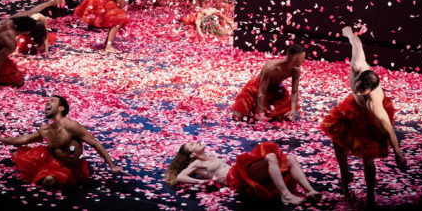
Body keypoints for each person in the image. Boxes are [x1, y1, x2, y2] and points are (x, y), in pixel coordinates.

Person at [320, 26, 407, 207]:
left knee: (367, 156)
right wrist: (350, 34)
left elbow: (390, 131)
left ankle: (370, 194)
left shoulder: (375, 105)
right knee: (337, 141)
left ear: (370, 90)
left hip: (369, 119)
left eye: (362, 90)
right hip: (352, 108)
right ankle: (345, 179)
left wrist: (398, 153)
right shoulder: (358, 65)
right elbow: (357, 44)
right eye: (357, 87)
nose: (358, 91)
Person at [0, 95, 124, 189]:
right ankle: (46, 171)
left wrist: (112, 166)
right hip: (54, 161)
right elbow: (25, 139)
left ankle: (50, 175)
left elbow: (95, 144)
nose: (47, 103)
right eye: (46, 102)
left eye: (52, 101)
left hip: (72, 167)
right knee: (16, 156)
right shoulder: (45, 129)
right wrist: (6, 140)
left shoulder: (71, 126)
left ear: (61, 108)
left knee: (49, 181)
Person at [164, 141, 321, 205]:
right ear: (191, 155)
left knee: (291, 159)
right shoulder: (198, 163)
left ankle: (309, 190)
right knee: (271, 155)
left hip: (238, 173)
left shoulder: (210, 156)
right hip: (235, 179)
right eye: (192, 144)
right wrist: (200, 182)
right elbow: (180, 176)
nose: (196, 141)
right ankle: (285, 195)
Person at [74, 0, 144, 53]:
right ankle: (108, 46)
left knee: (118, 19)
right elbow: (122, 5)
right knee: (118, 21)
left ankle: (108, 42)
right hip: (99, 1)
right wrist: (123, 15)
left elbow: (121, 3)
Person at [231, 44, 305, 122]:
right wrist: (260, 114)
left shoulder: (295, 70)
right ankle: (254, 110)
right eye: (303, 58)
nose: (304, 60)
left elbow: (294, 92)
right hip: (257, 88)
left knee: (284, 117)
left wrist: (293, 110)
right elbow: (261, 91)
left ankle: (261, 112)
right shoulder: (271, 67)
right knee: (237, 116)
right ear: (295, 58)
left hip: (276, 91)